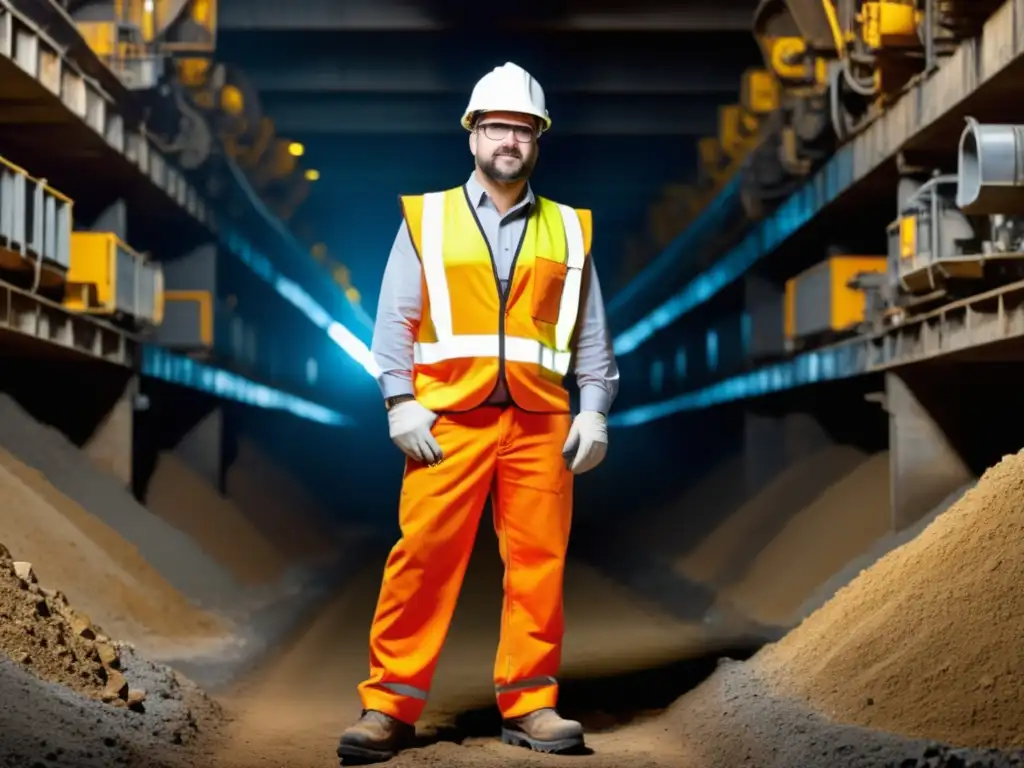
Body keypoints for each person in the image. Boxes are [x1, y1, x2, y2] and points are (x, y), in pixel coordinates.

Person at [337, 61, 620, 764]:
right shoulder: (427, 219)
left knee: (537, 563)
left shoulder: (568, 230)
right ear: (472, 136)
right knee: (423, 559)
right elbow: (394, 321)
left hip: (540, 424)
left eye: (523, 130)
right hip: (447, 423)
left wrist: (596, 409)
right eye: (496, 127)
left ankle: (531, 704)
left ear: (538, 141)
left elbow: (590, 334)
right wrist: (399, 401)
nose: (509, 141)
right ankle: (388, 707)